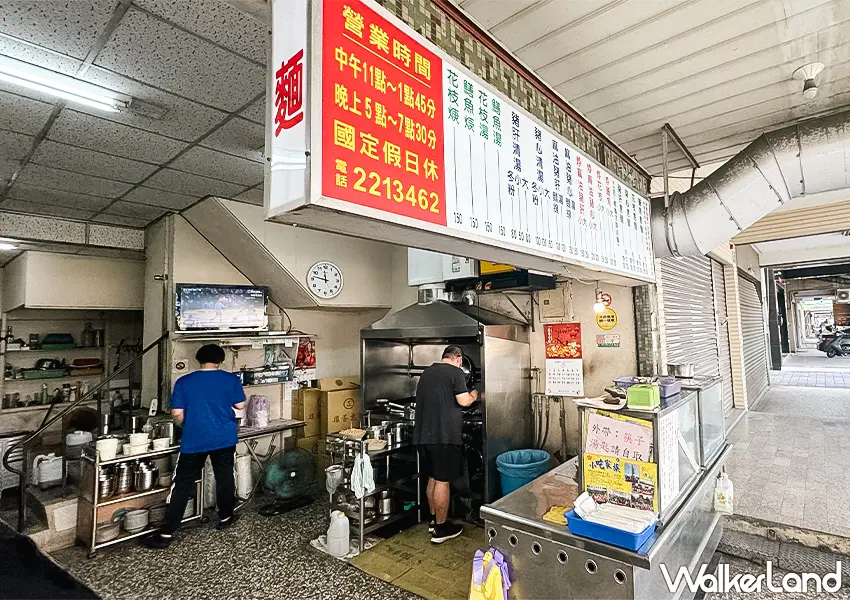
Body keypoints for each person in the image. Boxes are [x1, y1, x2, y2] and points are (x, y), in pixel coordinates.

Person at [143, 344, 246, 549]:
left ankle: (166, 532)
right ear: (220, 360)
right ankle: (226, 517)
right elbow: (240, 405)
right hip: (224, 437)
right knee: (225, 476)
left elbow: (177, 413)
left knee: (182, 483)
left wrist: (187, 425)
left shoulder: (184, 382)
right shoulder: (231, 379)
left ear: (199, 359)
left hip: (194, 439)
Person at [413, 345, 478, 544]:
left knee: (433, 477)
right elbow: (464, 401)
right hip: (443, 437)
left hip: (423, 437)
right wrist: (475, 394)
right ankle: (441, 530)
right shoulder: (455, 372)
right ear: (459, 359)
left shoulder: (426, 373)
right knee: (443, 481)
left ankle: (433, 521)